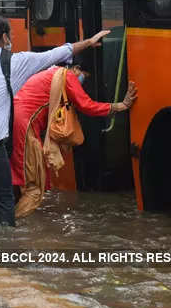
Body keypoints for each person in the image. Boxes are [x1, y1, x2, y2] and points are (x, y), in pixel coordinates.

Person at [0, 15, 110, 229]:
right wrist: (89, 42)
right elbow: (58, 53)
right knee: (4, 198)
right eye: (11, 35)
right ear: (5, 37)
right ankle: (5, 242)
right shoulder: (18, 61)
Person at [9, 65, 137, 218]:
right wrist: (120, 106)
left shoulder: (47, 74)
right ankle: (12, 230)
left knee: (17, 184)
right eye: (83, 76)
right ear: (76, 69)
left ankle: (8, 225)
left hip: (12, 122)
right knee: (34, 189)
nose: (80, 83)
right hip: (25, 125)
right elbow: (86, 105)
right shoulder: (66, 76)